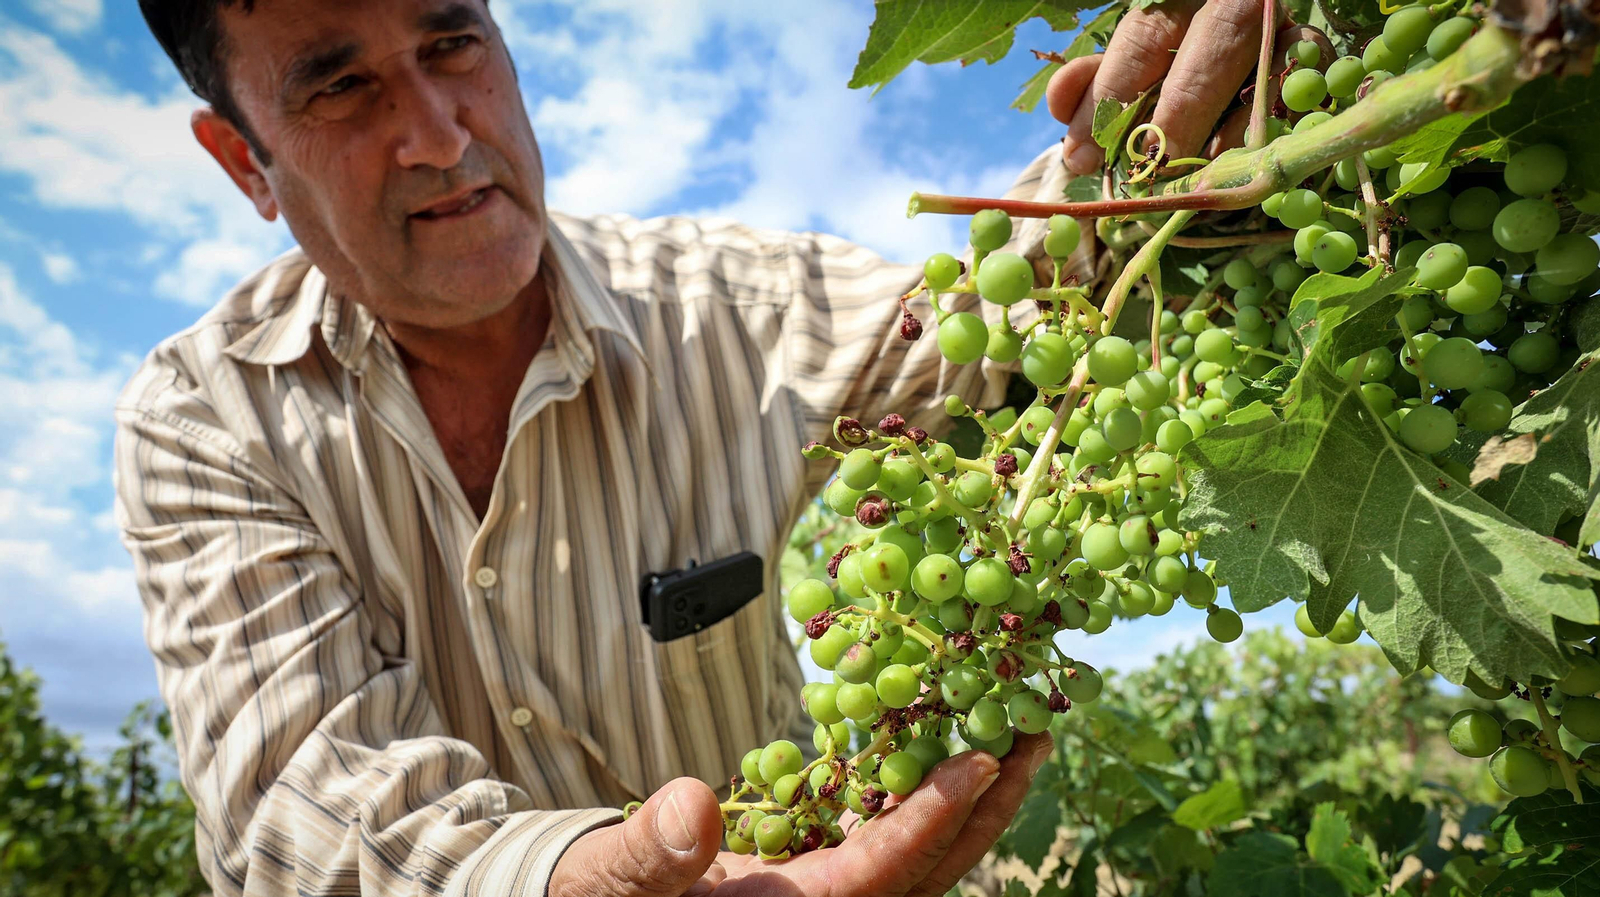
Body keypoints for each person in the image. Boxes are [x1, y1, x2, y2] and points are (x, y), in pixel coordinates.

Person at [116, 1, 1263, 895]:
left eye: (451, 45)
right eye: (341, 88)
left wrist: (1140, 158)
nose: (438, 134)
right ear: (244, 162)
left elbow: (1012, 320)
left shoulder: (745, 306)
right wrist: (582, 882)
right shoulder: (208, 417)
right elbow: (292, 813)